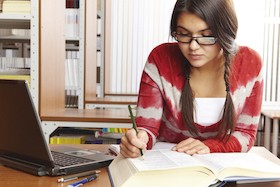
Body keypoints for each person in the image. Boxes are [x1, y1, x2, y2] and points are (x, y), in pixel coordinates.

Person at [120, 0, 263, 158]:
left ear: (226, 32)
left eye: (207, 35)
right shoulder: (160, 59)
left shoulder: (250, 64)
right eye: (183, 34)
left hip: (224, 172)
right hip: (167, 168)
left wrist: (210, 147)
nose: (193, 46)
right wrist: (138, 141)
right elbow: (147, 129)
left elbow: (246, 134)